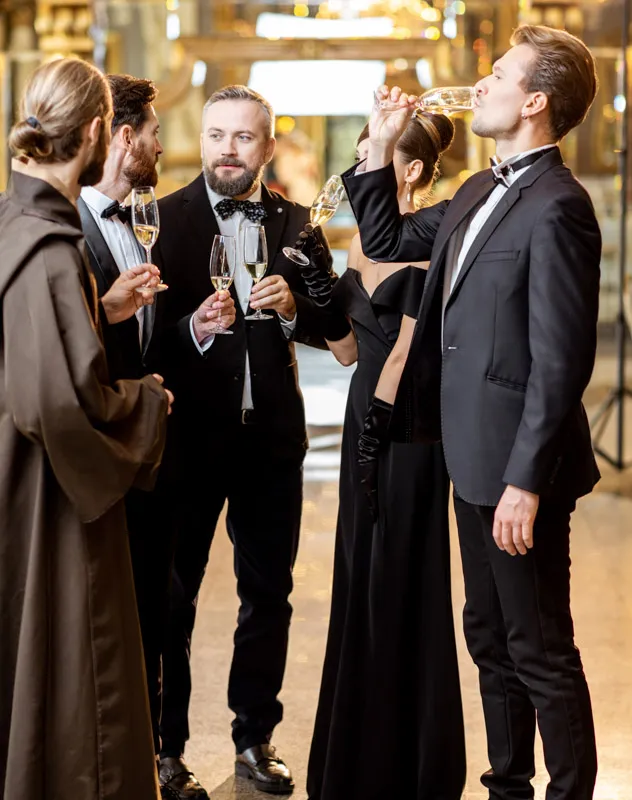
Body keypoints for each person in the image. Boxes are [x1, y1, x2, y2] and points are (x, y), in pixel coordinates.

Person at [343, 23, 601, 800]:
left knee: (539, 645)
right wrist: (380, 147)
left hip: (519, 470)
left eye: (498, 75)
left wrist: (525, 481)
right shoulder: (477, 191)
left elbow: (561, 362)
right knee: (488, 636)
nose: (479, 85)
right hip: (466, 457)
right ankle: (507, 786)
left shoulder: (560, 206)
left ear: (535, 100)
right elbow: (385, 233)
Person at [148, 85, 340, 799]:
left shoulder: (296, 224)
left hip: (272, 446)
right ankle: (166, 751)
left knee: (270, 595)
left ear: (266, 144)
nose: (228, 149)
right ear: (201, 140)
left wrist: (295, 310)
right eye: (216, 135)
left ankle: (254, 739)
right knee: (176, 598)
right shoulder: (161, 222)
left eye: (243, 137)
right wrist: (195, 330)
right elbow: (141, 344)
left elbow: (335, 327)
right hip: (188, 443)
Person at [0, 57, 173, 800]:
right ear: (101, 132)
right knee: (78, 674)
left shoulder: (17, 220)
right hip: (51, 496)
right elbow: (59, 405)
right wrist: (145, 402)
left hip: (21, 477)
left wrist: (96, 317)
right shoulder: (50, 246)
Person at [77, 73, 236, 767]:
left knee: (161, 614)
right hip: (97, 464)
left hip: (149, 462)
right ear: (121, 137)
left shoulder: (140, 224)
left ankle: (149, 762)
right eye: (152, 133)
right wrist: (102, 310)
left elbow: (146, 344)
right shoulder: (62, 230)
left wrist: (189, 329)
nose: (161, 145)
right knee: (124, 624)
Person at [306, 115, 466, 800]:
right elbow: (349, 351)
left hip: (403, 433)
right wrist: (315, 292)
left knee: (400, 582)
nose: (362, 163)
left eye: (374, 154)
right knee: (358, 580)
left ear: (412, 170)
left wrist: (378, 420)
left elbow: (405, 348)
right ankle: (354, 759)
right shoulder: (361, 244)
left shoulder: (431, 239)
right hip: (361, 424)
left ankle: (409, 765)